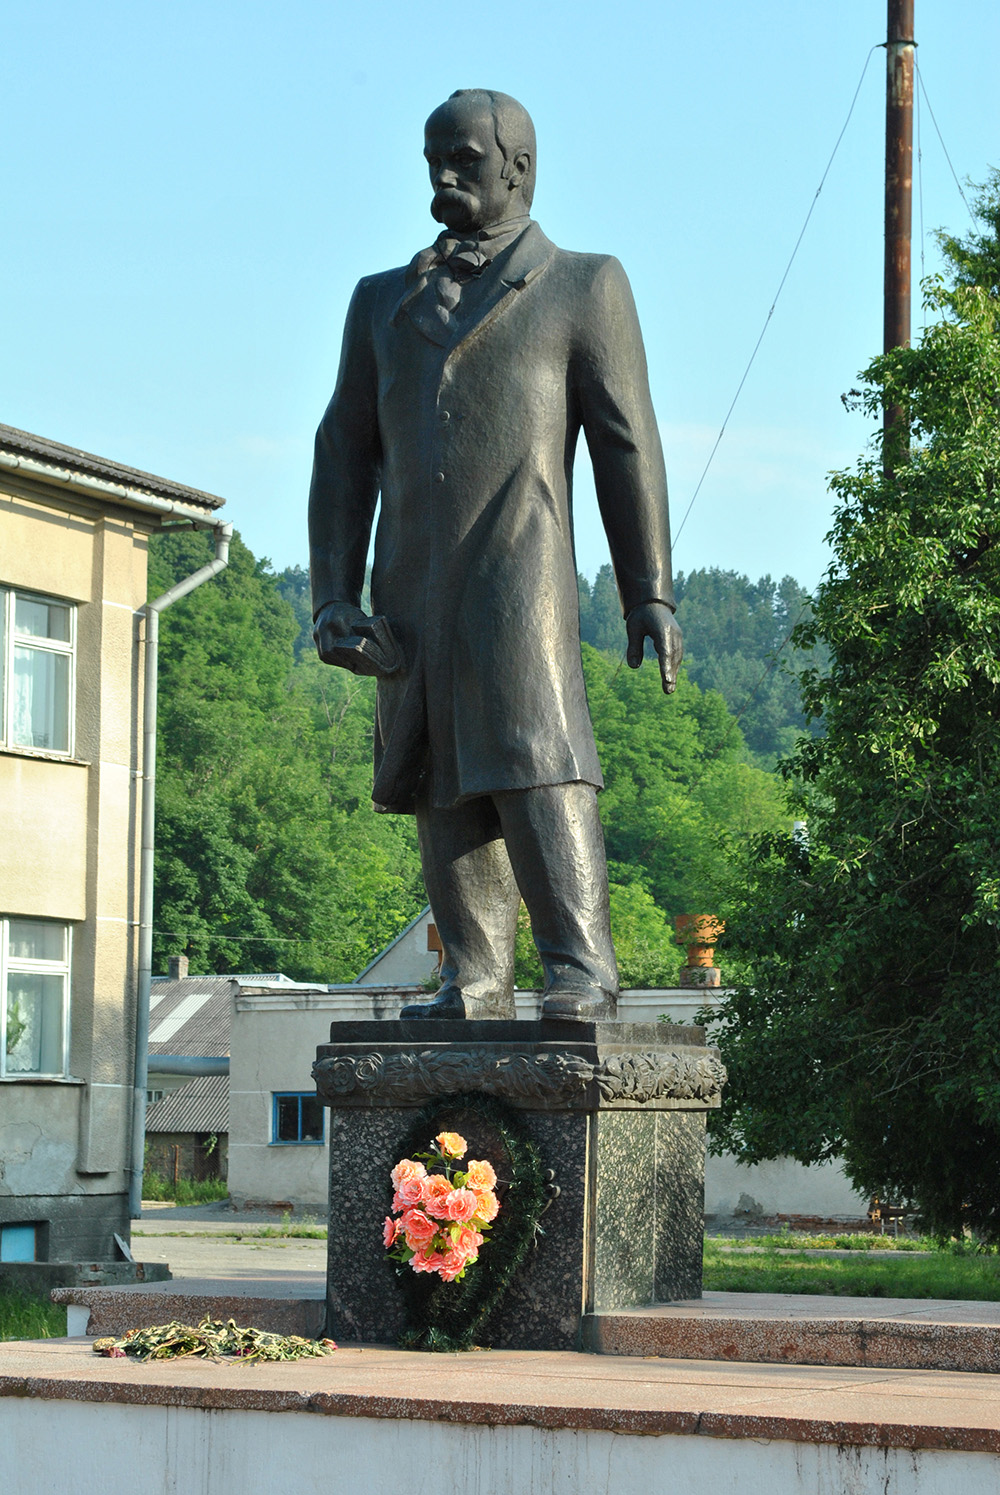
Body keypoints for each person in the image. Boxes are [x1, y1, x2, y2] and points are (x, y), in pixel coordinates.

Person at [309, 88, 681, 1021]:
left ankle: (580, 968)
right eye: (433, 157)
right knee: (436, 771)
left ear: (518, 167)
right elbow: (342, 454)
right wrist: (331, 594)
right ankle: (473, 975)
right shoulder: (380, 304)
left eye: (464, 158)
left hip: (520, 572)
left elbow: (625, 441)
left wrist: (651, 591)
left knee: (535, 755)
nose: (442, 175)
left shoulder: (582, 285)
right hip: (406, 589)